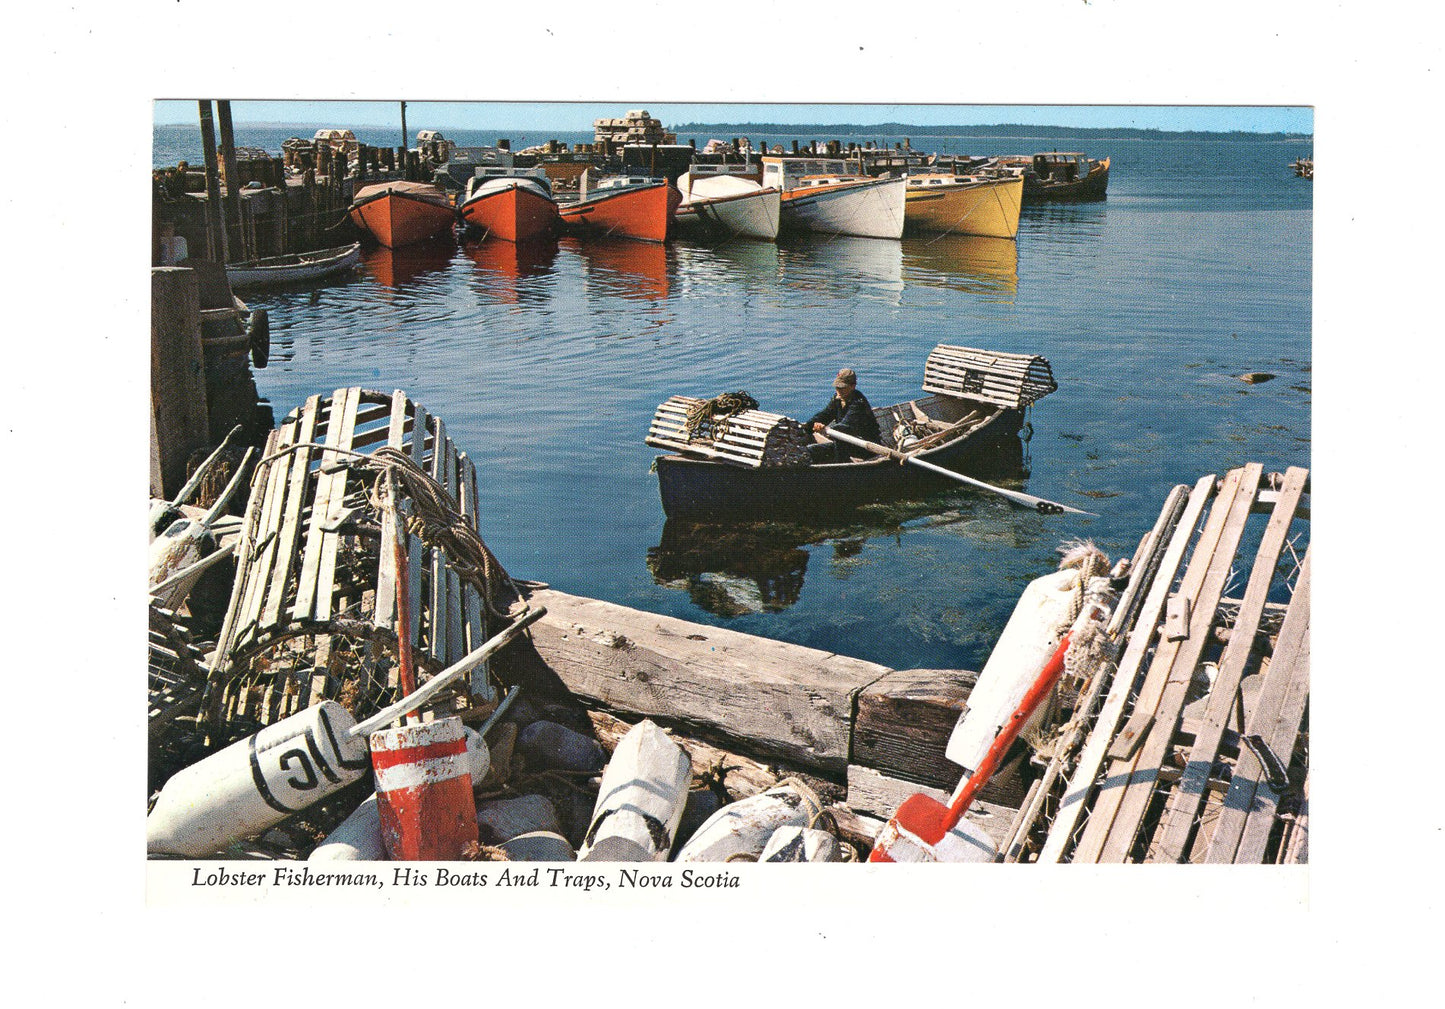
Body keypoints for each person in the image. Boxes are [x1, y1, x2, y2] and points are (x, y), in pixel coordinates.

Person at [807, 368, 881, 462]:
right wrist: (808, 426)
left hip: (866, 446)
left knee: (840, 448)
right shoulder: (837, 399)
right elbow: (825, 415)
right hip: (844, 442)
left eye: (842, 388)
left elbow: (845, 426)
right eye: (837, 387)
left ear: (852, 386)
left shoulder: (858, 403)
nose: (839, 391)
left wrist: (824, 430)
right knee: (812, 450)